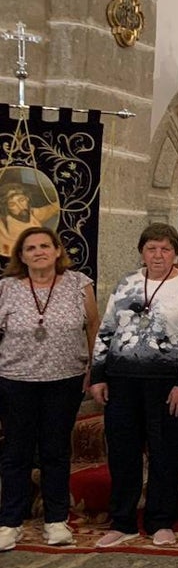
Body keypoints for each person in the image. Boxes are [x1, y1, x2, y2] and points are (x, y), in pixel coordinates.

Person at [89, 223, 178, 548]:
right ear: (142, 251)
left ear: (175, 253)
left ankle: (161, 520)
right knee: (123, 452)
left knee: (166, 452)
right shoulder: (127, 283)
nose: (158, 255)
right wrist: (98, 374)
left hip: (168, 383)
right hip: (123, 381)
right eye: (151, 248)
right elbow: (106, 329)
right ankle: (123, 520)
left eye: (165, 249)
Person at [0, 227, 99, 551]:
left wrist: (94, 369)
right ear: (21, 255)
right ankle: (10, 522)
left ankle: (56, 520)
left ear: (57, 251)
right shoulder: (7, 288)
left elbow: (93, 326)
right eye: (31, 248)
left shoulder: (78, 284)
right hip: (17, 379)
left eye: (45, 245)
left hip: (65, 378)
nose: (39, 251)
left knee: (56, 451)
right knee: (17, 452)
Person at [0, 184, 60, 258]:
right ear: (7, 208)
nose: (20, 207)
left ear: (27, 198)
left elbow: (51, 209)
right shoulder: (3, 226)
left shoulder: (32, 213)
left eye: (21, 200)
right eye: (12, 204)